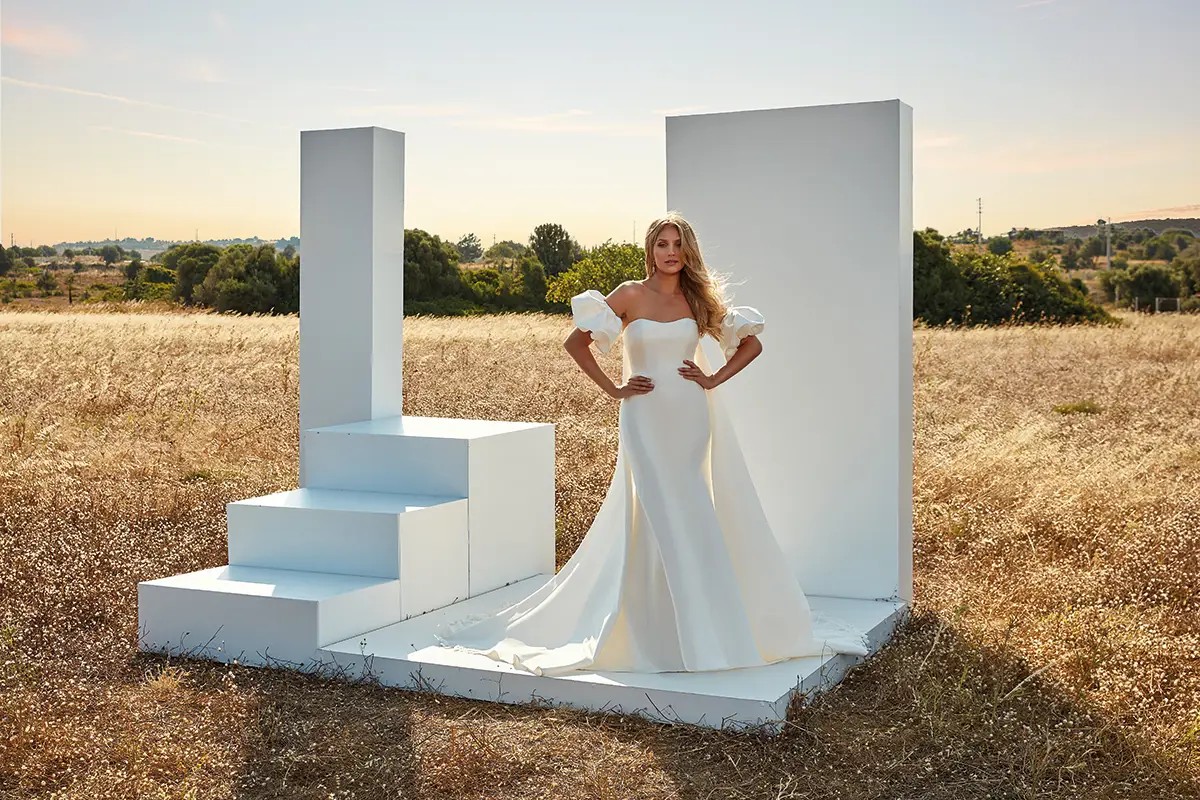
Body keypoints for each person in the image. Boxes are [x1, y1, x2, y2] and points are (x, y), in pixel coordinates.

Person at [434, 212, 870, 676]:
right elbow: (575, 344)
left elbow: (751, 345)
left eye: (678, 244)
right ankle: (656, 631)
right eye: (662, 243)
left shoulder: (697, 299)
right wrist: (615, 388)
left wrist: (713, 377)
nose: (670, 252)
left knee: (691, 509)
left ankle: (706, 626)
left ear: (688, 252)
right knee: (656, 510)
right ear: (650, 249)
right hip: (643, 418)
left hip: (687, 416)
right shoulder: (627, 295)